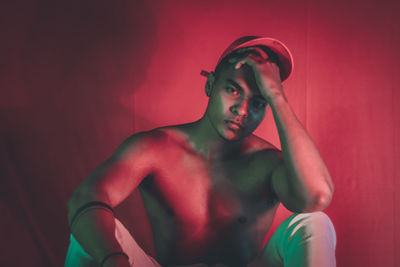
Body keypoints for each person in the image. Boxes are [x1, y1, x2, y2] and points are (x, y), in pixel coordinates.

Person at [65, 36, 336, 267]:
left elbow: (317, 196)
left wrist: (277, 95)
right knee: (88, 231)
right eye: (232, 90)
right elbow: (86, 197)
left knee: (314, 223)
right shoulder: (155, 148)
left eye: (258, 101)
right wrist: (114, 260)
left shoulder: (268, 163)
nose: (241, 111)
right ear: (210, 84)